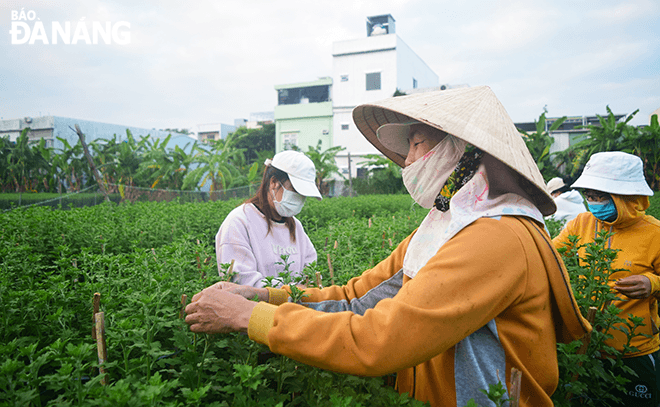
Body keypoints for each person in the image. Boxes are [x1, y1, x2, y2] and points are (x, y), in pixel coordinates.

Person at [186, 86, 591, 406]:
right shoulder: (443, 228)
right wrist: (263, 296)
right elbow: (356, 299)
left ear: (463, 152)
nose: (408, 161)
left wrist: (249, 317)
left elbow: (378, 339)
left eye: (417, 144)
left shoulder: (496, 238)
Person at [553, 151, 660, 406]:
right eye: (589, 196)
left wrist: (652, 283)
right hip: (588, 346)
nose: (593, 202)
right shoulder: (580, 224)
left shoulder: (654, 233)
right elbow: (550, 254)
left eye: (601, 196)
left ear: (626, 197)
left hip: (635, 349)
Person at [215, 150, 321, 287]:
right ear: (274, 182)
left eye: (304, 195)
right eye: (295, 191)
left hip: (295, 307)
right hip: (254, 308)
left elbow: (310, 271)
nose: (300, 199)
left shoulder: (295, 226)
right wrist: (292, 291)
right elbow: (241, 281)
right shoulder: (239, 222)